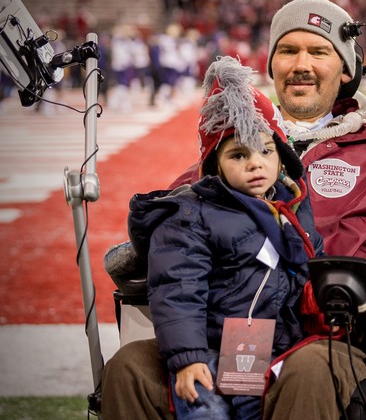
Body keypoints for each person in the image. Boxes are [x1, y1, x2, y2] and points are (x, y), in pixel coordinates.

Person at [100, 0, 366, 420]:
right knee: (130, 368)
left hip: (332, 336)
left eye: (318, 51)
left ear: (346, 68)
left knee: (308, 370)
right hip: (230, 333)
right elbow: (184, 208)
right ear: (272, 65)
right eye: (288, 50)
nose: (301, 64)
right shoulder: (243, 140)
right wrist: (148, 242)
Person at [128, 56, 324, 420]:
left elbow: (309, 268)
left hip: (272, 351)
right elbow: (178, 290)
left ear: (282, 157)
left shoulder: (293, 207)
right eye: (238, 154)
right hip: (211, 352)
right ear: (214, 164)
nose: (255, 163)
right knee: (208, 413)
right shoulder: (191, 215)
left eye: (267, 151)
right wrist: (188, 358)